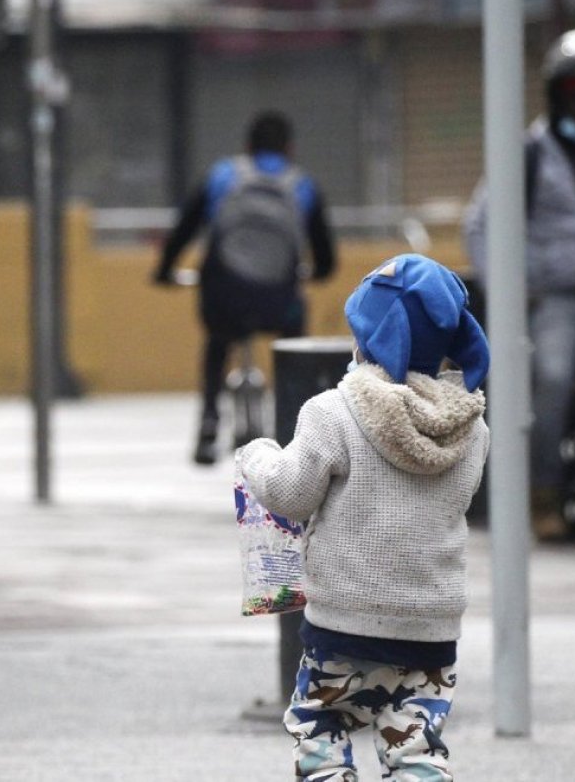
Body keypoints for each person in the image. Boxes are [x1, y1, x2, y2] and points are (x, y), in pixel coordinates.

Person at [236, 254, 489, 782]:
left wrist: (255, 457)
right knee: (417, 749)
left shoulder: (333, 412)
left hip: (342, 626)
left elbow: (289, 493)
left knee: (320, 727)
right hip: (431, 630)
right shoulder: (471, 430)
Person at [154, 111, 337, 465]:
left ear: (248, 147)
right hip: (279, 302)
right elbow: (326, 259)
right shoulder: (302, 185)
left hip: (224, 299)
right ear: (290, 149)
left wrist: (164, 271)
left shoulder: (224, 175)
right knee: (295, 344)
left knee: (218, 341)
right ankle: (296, 426)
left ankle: (209, 422)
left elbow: (183, 230)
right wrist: (314, 274)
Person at [463, 28, 575, 542]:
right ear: (557, 93)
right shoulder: (529, 153)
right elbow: (480, 224)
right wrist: (507, 294)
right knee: (554, 376)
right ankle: (543, 492)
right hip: (557, 297)